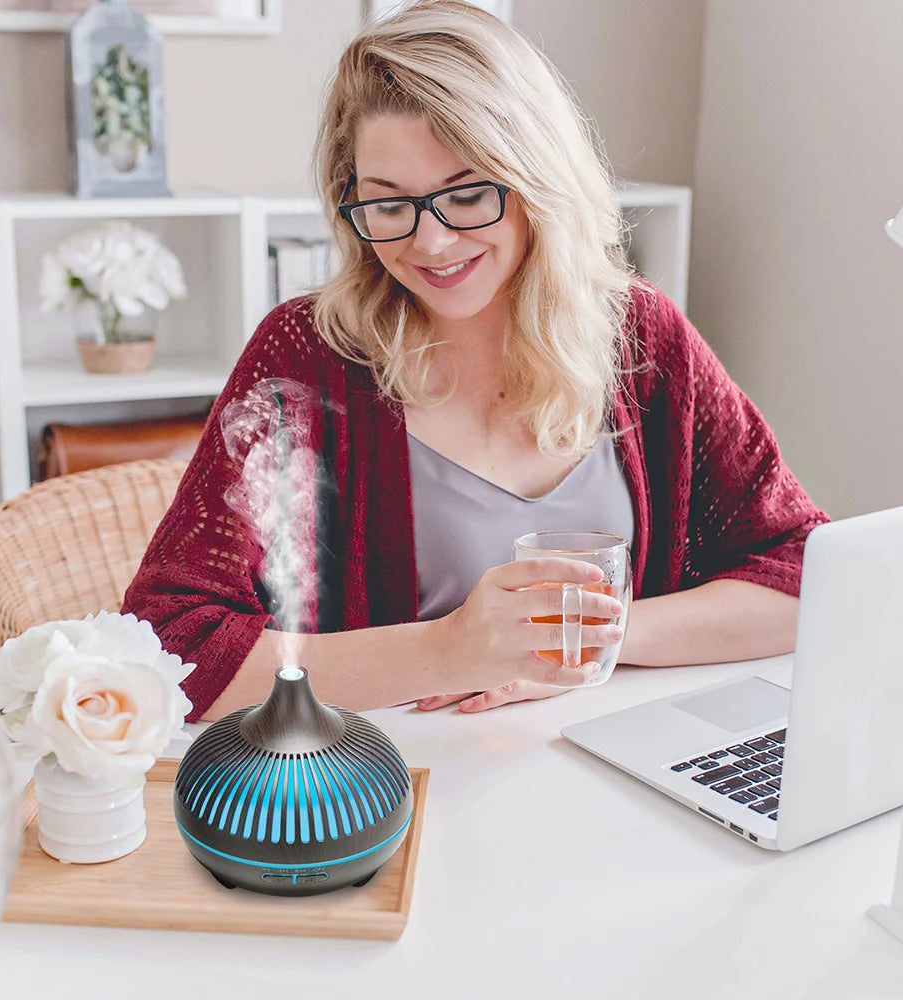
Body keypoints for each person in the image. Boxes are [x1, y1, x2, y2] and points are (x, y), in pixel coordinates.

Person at [121, 0, 827, 722]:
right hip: (389, 792)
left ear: (537, 180)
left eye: (466, 194)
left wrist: (584, 643)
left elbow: (808, 574)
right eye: (389, 203)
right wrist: (448, 650)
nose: (430, 243)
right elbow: (169, 645)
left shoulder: (640, 337)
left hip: (608, 767)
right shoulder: (305, 359)